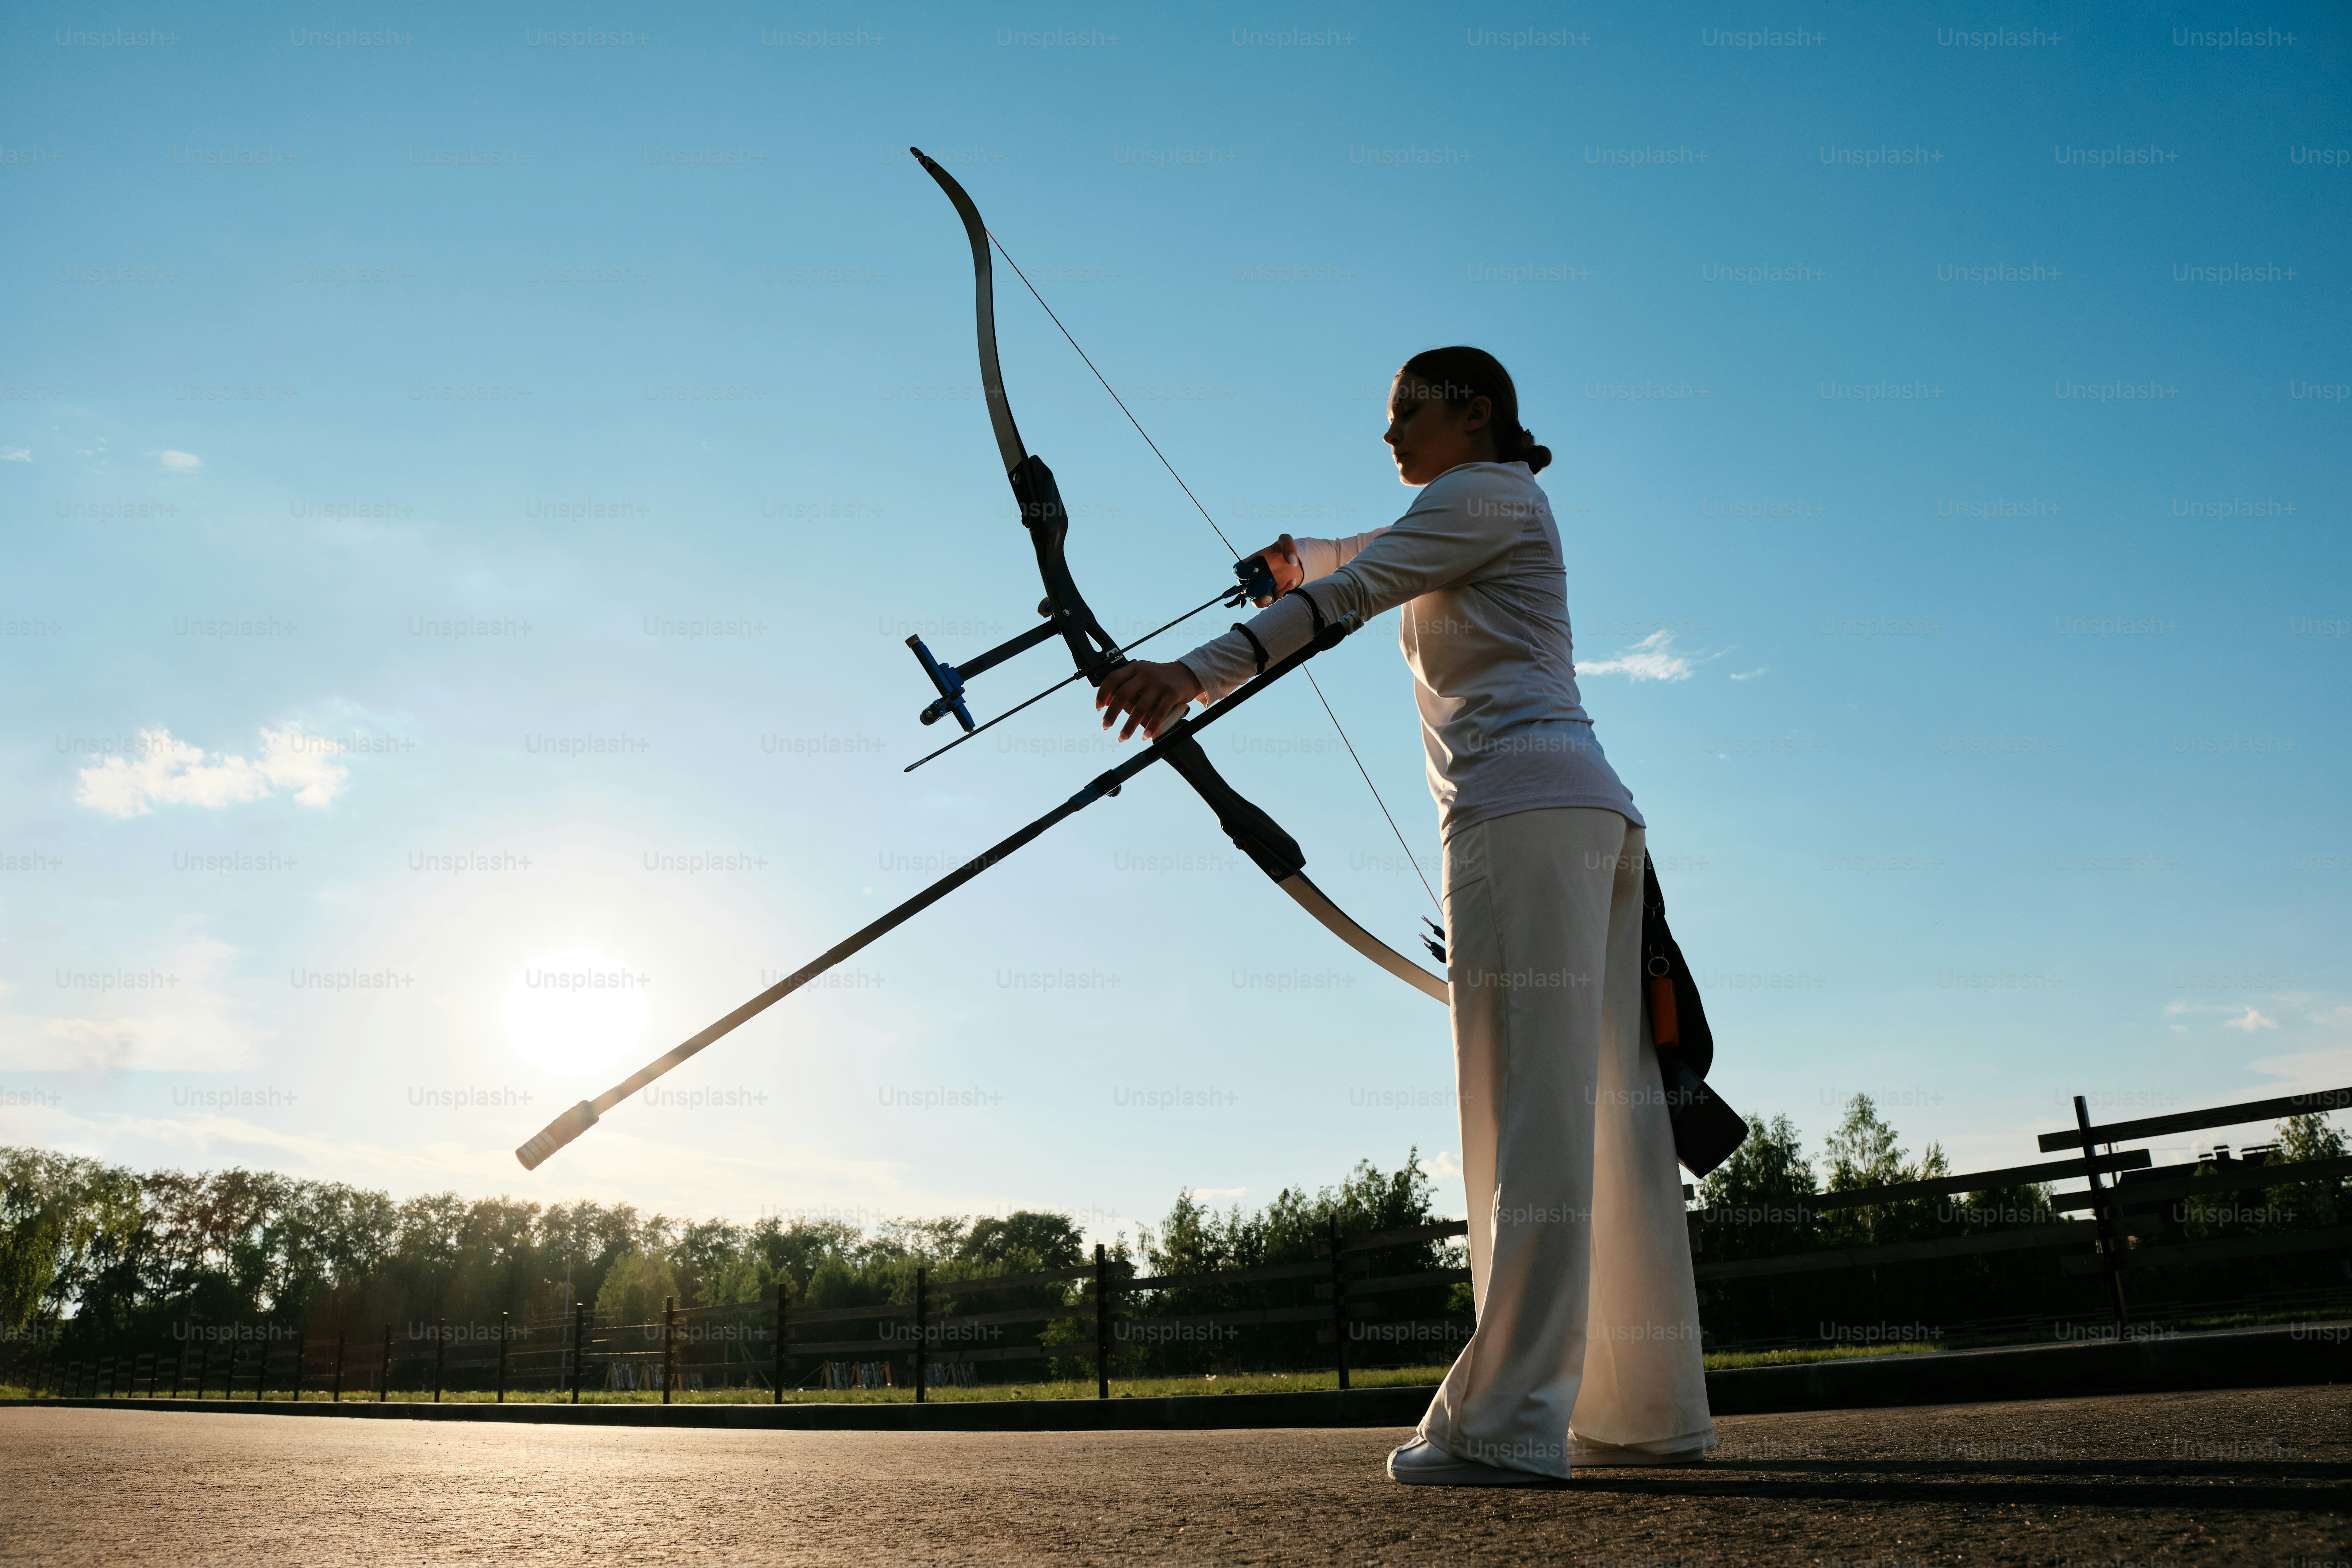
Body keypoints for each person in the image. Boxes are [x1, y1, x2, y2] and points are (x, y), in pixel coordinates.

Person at [1094, 346, 1714, 1484]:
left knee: (1525, 1110)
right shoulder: (1486, 505)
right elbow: (1344, 563)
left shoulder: (1475, 495)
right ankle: (1642, 1408)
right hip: (1580, 817)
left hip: (1517, 819)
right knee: (1605, 1117)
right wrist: (1291, 557)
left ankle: (1505, 1426)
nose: (1387, 437)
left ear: (1472, 413)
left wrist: (1189, 674)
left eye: (1404, 415)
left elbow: (1349, 596)